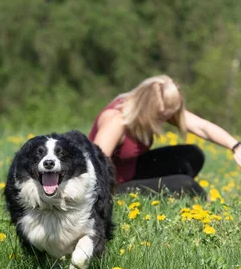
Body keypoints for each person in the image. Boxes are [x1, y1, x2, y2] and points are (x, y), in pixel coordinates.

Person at [89, 75, 241, 197]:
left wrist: (236, 146)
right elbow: (94, 169)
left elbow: (202, 127)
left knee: (192, 154)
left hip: (132, 172)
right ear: (147, 107)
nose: (164, 121)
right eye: (161, 116)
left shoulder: (157, 108)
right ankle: (202, 203)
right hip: (114, 188)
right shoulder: (116, 121)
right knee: (186, 185)